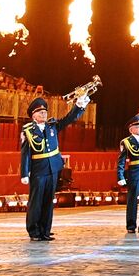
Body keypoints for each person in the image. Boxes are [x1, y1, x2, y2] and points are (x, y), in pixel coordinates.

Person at [21, 94, 88, 242]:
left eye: (45, 112)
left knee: (48, 201)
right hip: (38, 170)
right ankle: (34, 231)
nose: (44, 114)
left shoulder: (52, 126)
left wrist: (79, 106)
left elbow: (69, 119)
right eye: (40, 112)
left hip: (53, 169)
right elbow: (25, 153)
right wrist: (24, 173)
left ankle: (45, 230)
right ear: (33, 115)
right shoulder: (28, 131)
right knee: (36, 202)